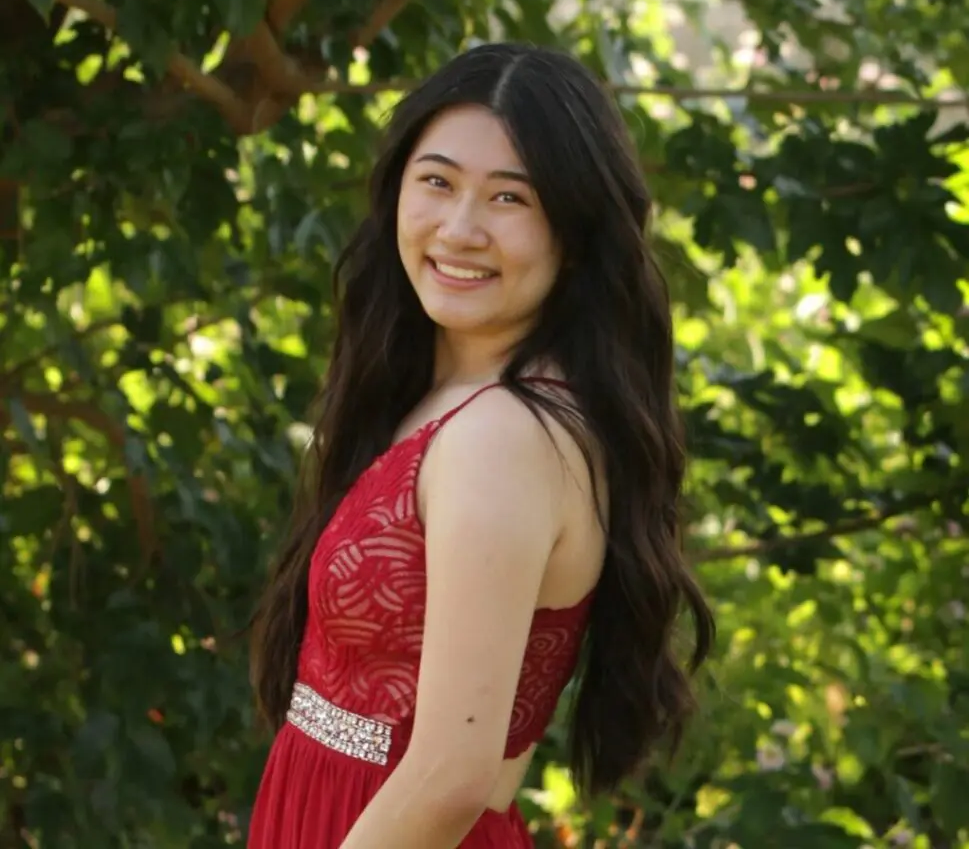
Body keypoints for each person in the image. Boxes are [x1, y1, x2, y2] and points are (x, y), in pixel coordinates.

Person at [247, 42, 715, 848]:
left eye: (510, 199)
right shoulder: (445, 400)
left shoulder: (501, 438)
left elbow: (452, 777)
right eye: (436, 182)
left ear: (575, 230)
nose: (459, 230)